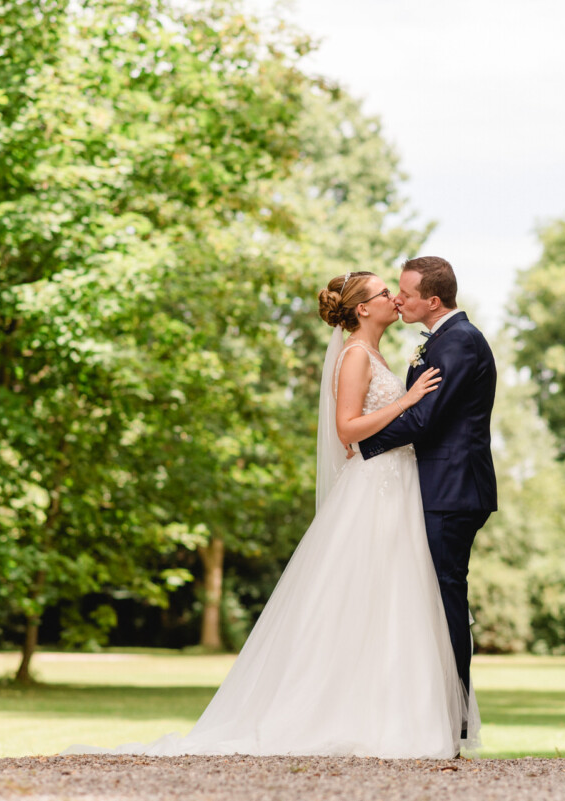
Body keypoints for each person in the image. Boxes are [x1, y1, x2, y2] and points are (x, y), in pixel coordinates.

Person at [63, 271, 480, 759]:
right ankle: (345, 715)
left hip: (401, 486)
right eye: (385, 292)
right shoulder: (353, 356)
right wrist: (408, 401)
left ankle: (399, 715)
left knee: (397, 597)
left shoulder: (382, 354)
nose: (394, 298)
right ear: (363, 309)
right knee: (365, 593)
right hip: (376, 488)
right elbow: (347, 430)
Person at [359, 256, 497, 740]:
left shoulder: (459, 341)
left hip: (453, 489)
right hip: (439, 485)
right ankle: (435, 715)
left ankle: (452, 721)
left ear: (432, 301)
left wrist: (363, 446)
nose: (398, 299)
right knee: (433, 599)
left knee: (445, 599)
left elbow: (426, 420)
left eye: (406, 293)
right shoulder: (444, 339)